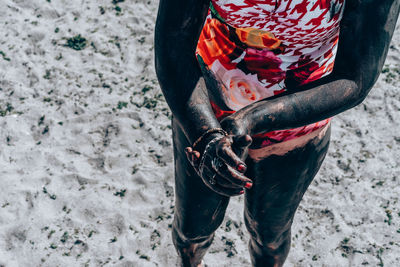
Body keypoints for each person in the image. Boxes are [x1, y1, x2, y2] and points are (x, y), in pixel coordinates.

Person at [154, 0, 399, 266]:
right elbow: (174, 42)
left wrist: (252, 118)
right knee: (192, 228)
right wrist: (207, 133)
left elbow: (355, 79)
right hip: (204, 102)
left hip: (299, 116)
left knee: (269, 235)